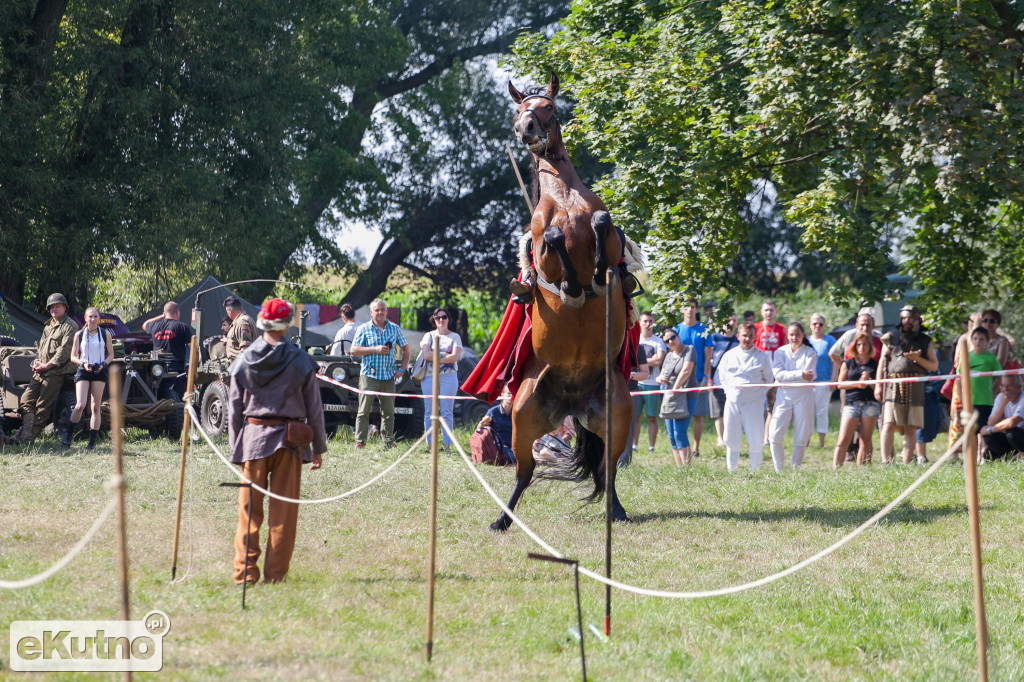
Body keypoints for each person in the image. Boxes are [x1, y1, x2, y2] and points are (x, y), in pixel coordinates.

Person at [228, 298, 327, 585]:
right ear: (286, 326)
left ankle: (244, 575)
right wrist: (318, 448)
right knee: (284, 513)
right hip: (290, 444)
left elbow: (234, 408)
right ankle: (275, 577)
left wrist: (236, 450)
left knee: (249, 514)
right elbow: (315, 409)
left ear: (261, 323)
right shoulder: (301, 360)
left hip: (254, 443)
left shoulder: (243, 360)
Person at [876, 305, 938, 464]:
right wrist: (878, 384)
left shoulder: (925, 341)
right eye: (904, 318)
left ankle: (906, 462)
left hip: (915, 385)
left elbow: (934, 366)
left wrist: (918, 359)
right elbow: (883, 361)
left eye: (910, 318)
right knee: (888, 423)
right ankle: (886, 462)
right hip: (893, 385)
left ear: (916, 319)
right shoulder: (890, 337)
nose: (906, 321)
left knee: (911, 427)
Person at [13, 293, 77, 444]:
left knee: (43, 408)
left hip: (55, 372)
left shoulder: (70, 326)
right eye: (52, 307)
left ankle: (28, 438)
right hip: (40, 372)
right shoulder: (48, 325)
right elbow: (41, 349)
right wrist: (36, 362)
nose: (54, 309)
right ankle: (27, 433)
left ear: (65, 307)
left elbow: (64, 352)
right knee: (25, 401)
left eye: (57, 306)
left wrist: (46, 366)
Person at [350, 299, 409, 448]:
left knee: (389, 412)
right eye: (377, 310)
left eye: (383, 309)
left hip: (389, 376)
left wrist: (402, 369)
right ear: (371, 313)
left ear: (387, 312)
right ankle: (360, 441)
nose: (380, 312)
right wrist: (374, 349)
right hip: (369, 376)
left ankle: (388, 441)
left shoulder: (395, 329)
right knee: (363, 411)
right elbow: (354, 350)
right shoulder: (363, 329)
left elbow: (406, 350)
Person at [716, 323, 773, 471]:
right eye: (744, 336)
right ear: (738, 336)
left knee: (755, 437)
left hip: (754, 403)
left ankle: (755, 470)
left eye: (750, 336)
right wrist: (729, 392)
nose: (747, 339)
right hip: (733, 402)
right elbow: (722, 377)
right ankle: (731, 470)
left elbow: (768, 380)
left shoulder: (762, 357)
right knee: (730, 436)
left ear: (755, 337)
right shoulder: (729, 355)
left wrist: (758, 395)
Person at [768, 322, 817, 472]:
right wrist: (798, 374)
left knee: (801, 435)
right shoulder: (780, 352)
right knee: (774, 434)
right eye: (791, 334)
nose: (794, 337)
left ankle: (795, 470)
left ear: (803, 335)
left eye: (797, 334)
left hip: (804, 395)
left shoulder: (810, 353)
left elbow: (808, 376)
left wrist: (793, 376)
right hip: (784, 395)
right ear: (787, 336)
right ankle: (779, 471)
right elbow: (778, 374)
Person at [65, 307, 115, 449]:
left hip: (99, 370)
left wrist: (103, 364)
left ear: (99, 318)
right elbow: (73, 356)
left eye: (95, 316)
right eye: (90, 317)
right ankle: (68, 436)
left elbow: (111, 355)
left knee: (95, 406)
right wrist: (83, 363)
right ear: (85, 319)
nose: (93, 319)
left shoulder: (105, 334)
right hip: (83, 369)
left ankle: (92, 441)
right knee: (80, 404)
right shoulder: (79, 335)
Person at [832, 333, 879, 468]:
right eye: (858, 344)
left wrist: (869, 382)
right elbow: (840, 384)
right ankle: (836, 469)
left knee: (865, 439)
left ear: (870, 346)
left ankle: (863, 470)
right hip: (851, 403)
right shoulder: (847, 363)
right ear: (854, 346)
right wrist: (857, 384)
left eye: (865, 344)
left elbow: (880, 386)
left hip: (870, 403)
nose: (862, 347)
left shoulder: (875, 364)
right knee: (844, 438)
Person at [419, 307, 463, 450]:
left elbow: (455, 357)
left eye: (444, 317)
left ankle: (447, 445)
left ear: (448, 319)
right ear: (434, 320)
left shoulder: (455, 337)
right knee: (429, 411)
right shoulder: (428, 336)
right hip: (429, 376)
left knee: (446, 411)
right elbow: (426, 355)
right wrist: (445, 355)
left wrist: (436, 356)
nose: (441, 320)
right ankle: (430, 444)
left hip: (449, 377)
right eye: (438, 318)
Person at [675, 299, 713, 457]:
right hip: (679, 379)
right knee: (678, 415)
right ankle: (679, 446)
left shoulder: (703, 329)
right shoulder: (676, 329)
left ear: (697, 309)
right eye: (686, 307)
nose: (689, 310)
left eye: (692, 307)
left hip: (698, 379)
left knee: (697, 415)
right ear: (682, 310)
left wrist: (706, 377)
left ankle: (696, 448)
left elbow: (708, 355)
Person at [657, 329, 697, 465]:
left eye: (672, 338)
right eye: (666, 341)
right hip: (670, 397)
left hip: (687, 395)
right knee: (671, 434)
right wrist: (660, 379)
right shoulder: (668, 356)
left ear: (678, 336)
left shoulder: (689, 350)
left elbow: (686, 371)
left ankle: (687, 467)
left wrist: (675, 389)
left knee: (680, 431)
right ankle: (679, 468)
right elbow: (660, 374)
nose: (670, 342)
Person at [142, 301, 195, 393]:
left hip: (157, 371)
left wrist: (162, 316)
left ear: (165, 313)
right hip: (176, 371)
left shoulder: (155, 326)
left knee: (158, 397)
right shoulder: (182, 327)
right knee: (175, 399)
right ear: (177, 312)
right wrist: (194, 370)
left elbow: (145, 324)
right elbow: (194, 349)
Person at [633, 311, 667, 453]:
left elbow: (659, 360)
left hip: (652, 384)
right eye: (645, 321)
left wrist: (640, 362)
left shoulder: (658, 341)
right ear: (639, 322)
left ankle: (651, 446)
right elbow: (632, 360)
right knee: (635, 416)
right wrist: (648, 361)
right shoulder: (635, 340)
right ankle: (634, 445)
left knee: (652, 417)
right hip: (636, 383)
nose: (648, 324)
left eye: (650, 321)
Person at [754, 299, 786, 445]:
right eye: (766, 310)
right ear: (761, 312)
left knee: (771, 406)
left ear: (775, 312)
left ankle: (766, 436)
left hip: (775, 373)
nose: (768, 313)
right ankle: (756, 435)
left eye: (771, 310)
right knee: (757, 405)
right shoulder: (756, 328)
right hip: (758, 372)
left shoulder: (780, 329)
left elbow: (784, 351)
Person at [708, 313, 739, 448]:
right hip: (716, 380)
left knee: (731, 411)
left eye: (734, 320)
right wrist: (708, 378)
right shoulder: (714, 338)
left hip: (733, 382)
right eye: (729, 319)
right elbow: (708, 360)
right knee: (718, 411)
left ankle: (730, 437)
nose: (731, 322)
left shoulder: (739, 341)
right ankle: (720, 439)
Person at [808, 313, 836, 447]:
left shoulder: (830, 341)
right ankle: (805, 440)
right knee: (807, 412)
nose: (817, 327)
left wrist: (833, 380)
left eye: (820, 324)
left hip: (824, 381)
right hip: (808, 383)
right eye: (815, 324)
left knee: (822, 411)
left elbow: (835, 362)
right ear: (810, 325)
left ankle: (822, 442)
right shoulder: (806, 341)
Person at [619, 342, 648, 466]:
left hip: (631, 393)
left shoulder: (638, 348)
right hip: (609, 392)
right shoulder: (609, 343)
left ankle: (623, 463)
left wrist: (630, 375)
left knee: (627, 428)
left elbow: (645, 374)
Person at [981, 375, 1024, 459]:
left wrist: (990, 429)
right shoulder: (1001, 397)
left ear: (1019, 387)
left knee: (1011, 433)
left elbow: (1012, 422)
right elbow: (991, 423)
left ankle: (1019, 455)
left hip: (1019, 435)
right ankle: (1007, 457)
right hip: (1009, 437)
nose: (1005, 389)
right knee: (988, 438)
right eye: (1003, 386)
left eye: (1009, 386)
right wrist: (1002, 405)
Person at [479, 396, 515, 464]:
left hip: (514, 445)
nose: (511, 396)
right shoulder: (492, 411)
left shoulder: (517, 412)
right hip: (499, 445)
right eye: (509, 393)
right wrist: (480, 425)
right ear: (502, 395)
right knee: (513, 458)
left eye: (513, 393)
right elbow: (481, 430)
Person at [224, 296, 258, 360]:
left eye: (227, 311)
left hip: (240, 365)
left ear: (229, 310)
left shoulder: (242, 323)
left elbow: (245, 348)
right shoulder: (243, 320)